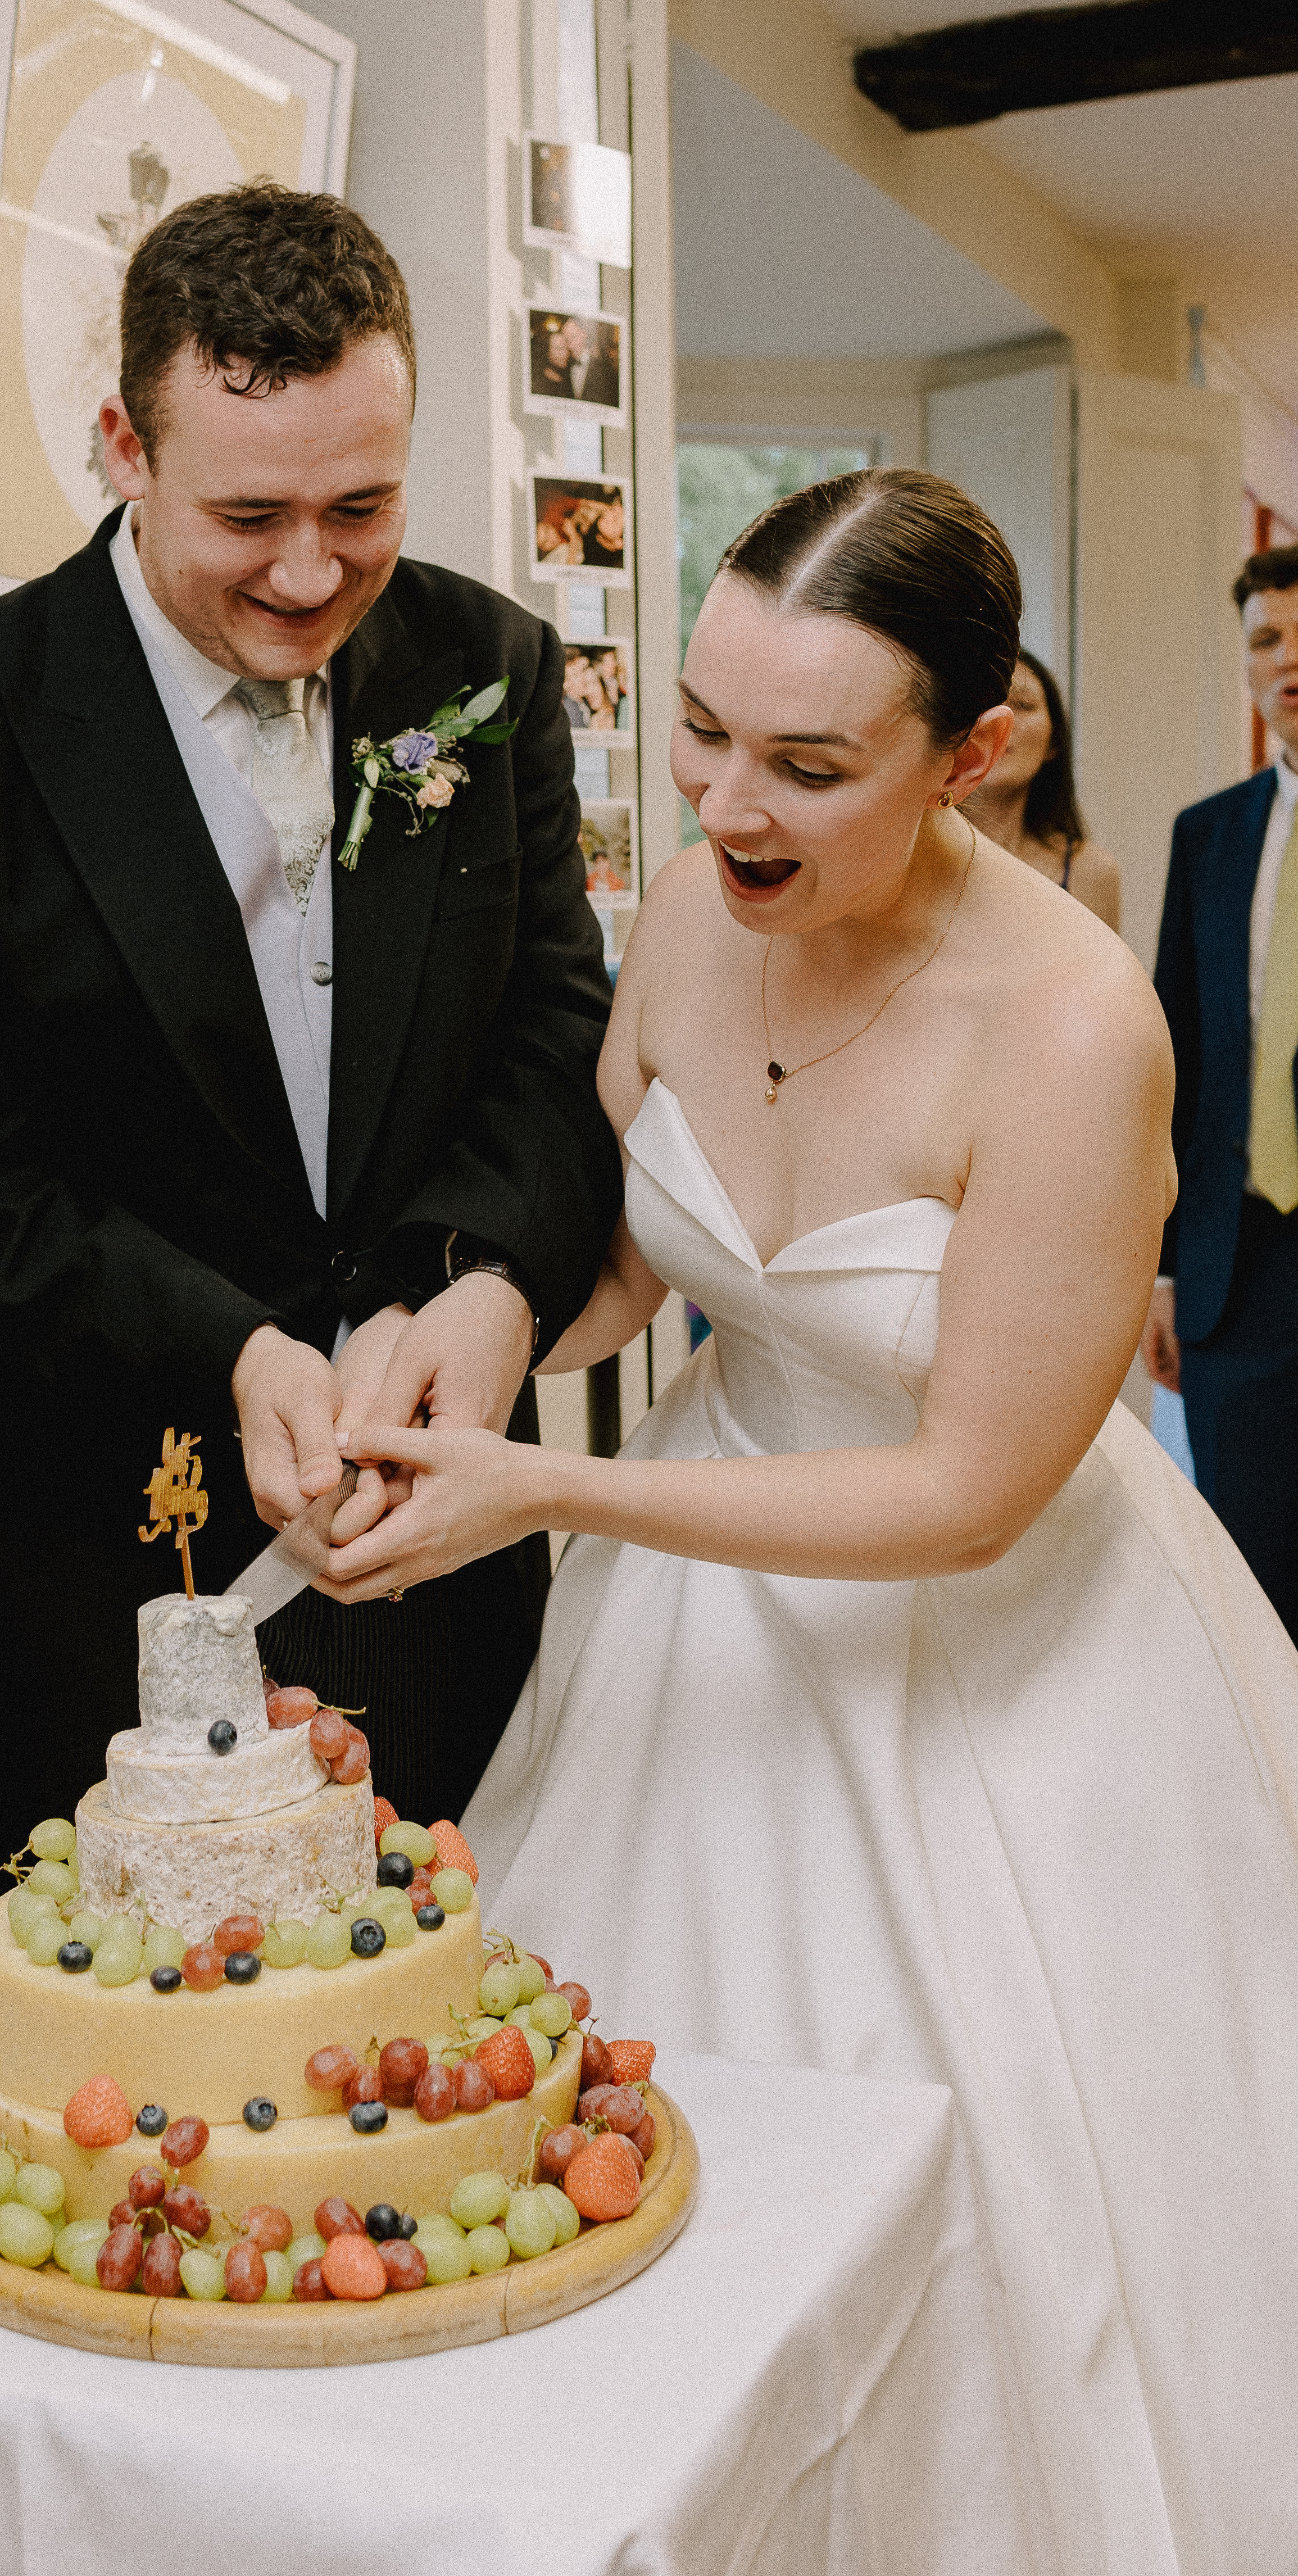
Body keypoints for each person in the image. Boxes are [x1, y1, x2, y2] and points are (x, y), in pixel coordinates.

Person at [322, 469, 1298, 2576]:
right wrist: (466, 1345)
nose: (728, 803)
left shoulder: (1067, 1026)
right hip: (681, 1613)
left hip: (992, 1660)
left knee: (991, 2217)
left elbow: (964, 1492)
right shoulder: (688, 910)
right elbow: (646, 1261)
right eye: (699, 728)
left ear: (973, 751)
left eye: (807, 763)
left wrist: (553, 1486)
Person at [0, 181, 619, 1859]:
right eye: (250, 515)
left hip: (442, 1506)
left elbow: (554, 1042)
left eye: (364, 504)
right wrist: (229, 1347)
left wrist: (487, 1295)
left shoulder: (491, 670)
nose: (313, 570)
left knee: (471, 2017)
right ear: (123, 444)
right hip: (122, 1533)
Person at [1142, 544, 1298, 1644]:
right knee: (1248, 1568)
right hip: (1235, 1267)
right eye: (1268, 641)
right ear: (1247, 670)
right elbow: (1177, 1058)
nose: (1290, 661)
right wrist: (1157, 1265)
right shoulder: (1210, 836)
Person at [962, 650, 1120, 928]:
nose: (1003, 721)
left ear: (1053, 743)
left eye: (1023, 705)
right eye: (984, 703)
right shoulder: (903, 857)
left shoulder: (1091, 872)